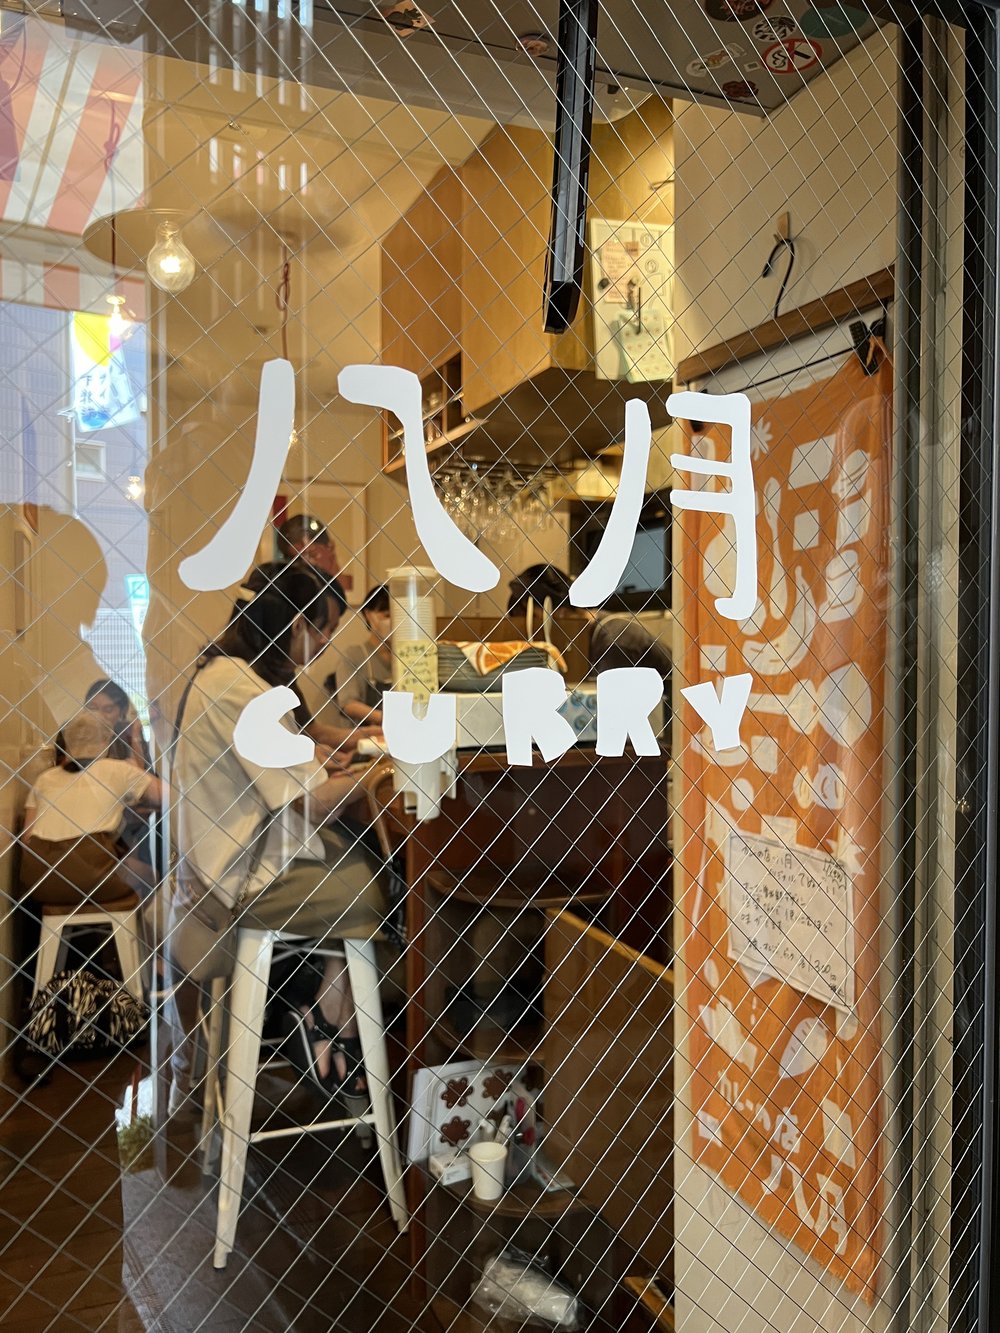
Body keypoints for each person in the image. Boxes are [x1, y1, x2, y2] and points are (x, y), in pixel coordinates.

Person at [166, 561, 389, 1114]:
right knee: (381, 882)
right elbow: (312, 803)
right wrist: (388, 769)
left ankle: (326, 1006)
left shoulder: (228, 674)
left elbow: (292, 768)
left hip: (228, 860)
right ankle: (328, 1015)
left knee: (361, 857)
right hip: (237, 881)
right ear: (293, 624)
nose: (322, 642)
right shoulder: (241, 689)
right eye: (319, 629)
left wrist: (326, 759)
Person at [20, 712, 163, 905]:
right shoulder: (118, 770)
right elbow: (168, 796)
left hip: (40, 882)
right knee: (150, 875)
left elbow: (27, 838)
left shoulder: (44, 779)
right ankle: (134, 923)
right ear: (106, 741)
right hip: (95, 876)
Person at [507, 562, 672, 687]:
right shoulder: (591, 637)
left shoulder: (614, 641)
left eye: (536, 620)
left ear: (560, 612)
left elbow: (613, 709)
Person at [335, 584, 393, 728]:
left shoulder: (407, 657)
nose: (393, 622)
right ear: (368, 615)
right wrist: (385, 719)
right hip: (364, 736)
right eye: (386, 615)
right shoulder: (353, 655)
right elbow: (348, 704)